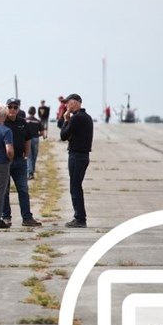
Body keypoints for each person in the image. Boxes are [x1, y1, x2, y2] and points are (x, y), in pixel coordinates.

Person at [4, 99, 41, 227]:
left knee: (23, 190)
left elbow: (28, 139)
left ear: (18, 109)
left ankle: (27, 217)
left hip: (20, 160)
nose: (12, 109)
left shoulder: (22, 122)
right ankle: (6, 217)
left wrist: (27, 154)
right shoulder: (2, 122)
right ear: (6, 108)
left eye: (15, 107)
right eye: (10, 107)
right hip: (5, 161)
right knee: (4, 190)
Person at [59, 93, 93, 228]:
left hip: (77, 156)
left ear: (77, 102)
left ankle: (80, 218)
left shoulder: (77, 118)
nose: (66, 105)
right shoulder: (87, 117)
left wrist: (66, 120)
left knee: (75, 187)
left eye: (68, 102)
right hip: (83, 156)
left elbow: (63, 135)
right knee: (76, 186)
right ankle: (80, 216)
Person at [23, 106, 43, 182]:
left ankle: (30, 173)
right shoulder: (38, 121)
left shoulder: (25, 120)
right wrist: (37, 135)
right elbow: (42, 132)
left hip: (27, 139)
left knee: (28, 156)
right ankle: (32, 171)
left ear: (28, 112)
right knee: (34, 156)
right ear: (35, 112)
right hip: (35, 139)